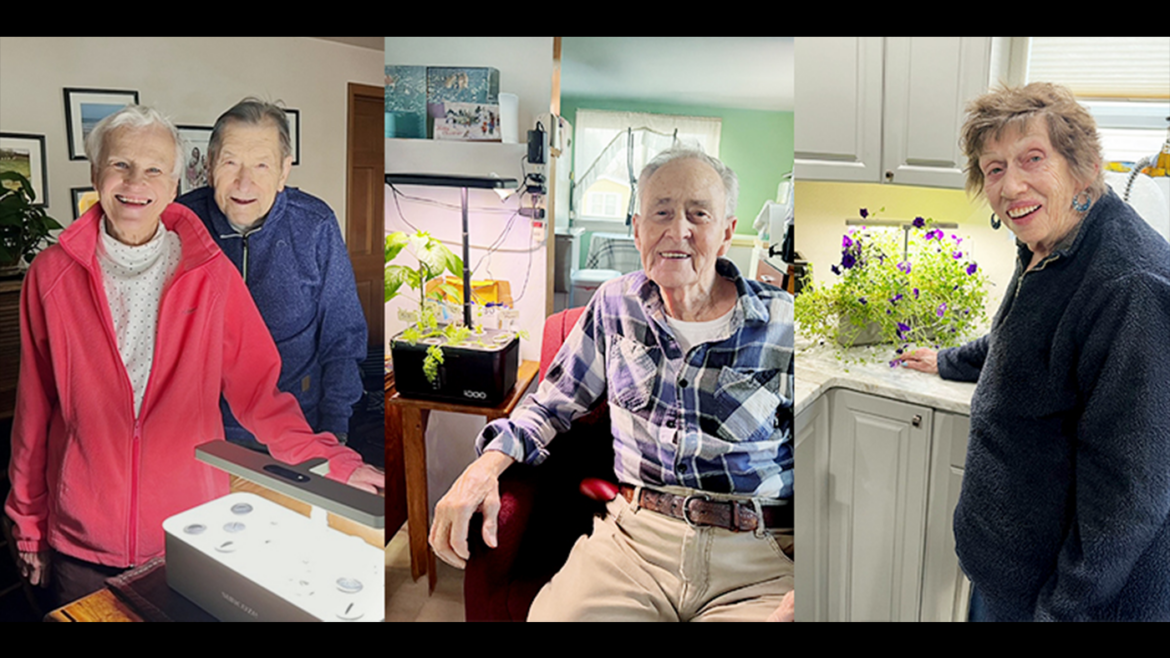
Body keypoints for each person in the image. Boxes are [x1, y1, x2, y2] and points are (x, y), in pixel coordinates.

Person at [5, 105, 384, 606]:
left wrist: (335, 458)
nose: (136, 181)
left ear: (176, 180)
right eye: (120, 164)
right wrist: (28, 522)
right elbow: (34, 414)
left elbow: (260, 396)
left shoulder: (211, 274)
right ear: (97, 173)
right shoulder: (49, 277)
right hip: (82, 535)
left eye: (155, 168)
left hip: (190, 526)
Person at [429, 147, 795, 621]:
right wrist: (481, 469)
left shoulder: (785, 324)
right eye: (661, 212)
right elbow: (549, 405)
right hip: (635, 545)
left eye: (697, 214)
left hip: (756, 558)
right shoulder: (614, 305)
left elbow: (834, 462)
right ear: (638, 227)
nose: (676, 231)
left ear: (726, 232)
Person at [898, 83, 1170, 621]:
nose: (1011, 184)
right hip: (1011, 570)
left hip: (1068, 599)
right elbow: (1022, 339)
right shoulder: (1050, 242)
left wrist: (1062, 611)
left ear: (1085, 166)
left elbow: (1129, 492)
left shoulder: (1130, 285)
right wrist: (951, 360)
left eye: (1032, 159)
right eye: (994, 168)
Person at [177, 98, 367, 450]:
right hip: (198, 433)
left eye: (262, 165)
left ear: (283, 171)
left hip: (294, 432)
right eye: (230, 162)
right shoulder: (179, 223)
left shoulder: (315, 225)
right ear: (209, 165)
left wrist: (335, 433)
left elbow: (343, 337)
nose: (244, 183)